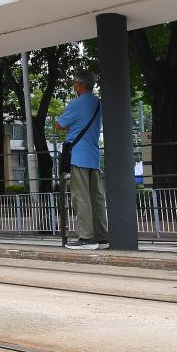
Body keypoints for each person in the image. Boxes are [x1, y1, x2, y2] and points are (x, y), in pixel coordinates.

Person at [55, 69, 107, 250]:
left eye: (74, 83)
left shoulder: (77, 103)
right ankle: (102, 236)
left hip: (78, 155)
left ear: (80, 85)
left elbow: (59, 124)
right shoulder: (98, 103)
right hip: (93, 155)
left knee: (81, 198)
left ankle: (86, 238)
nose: (73, 86)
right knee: (97, 197)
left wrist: (70, 126)